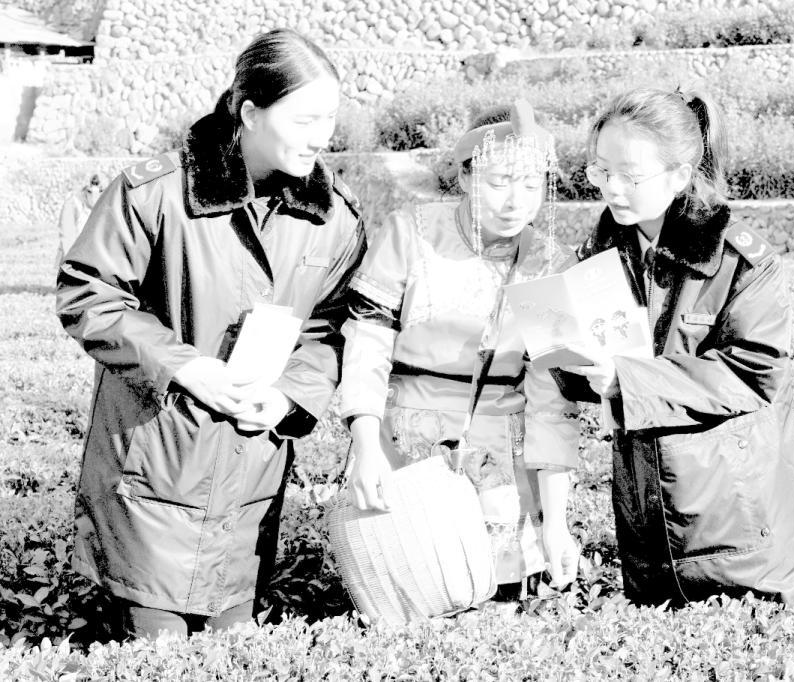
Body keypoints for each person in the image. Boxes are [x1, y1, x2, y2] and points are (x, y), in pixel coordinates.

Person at [56, 29, 366, 639]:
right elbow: (89, 294)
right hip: (152, 473)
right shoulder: (157, 194)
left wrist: (288, 397)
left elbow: (332, 326)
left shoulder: (334, 219)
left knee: (233, 653)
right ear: (249, 112)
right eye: (304, 119)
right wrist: (185, 367)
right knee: (158, 656)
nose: (320, 137)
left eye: (329, 118)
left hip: (250, 482)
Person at [559, 87, 794, 605]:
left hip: (741, 532)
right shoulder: (598, 257)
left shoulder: (740, 262)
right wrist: (559, 349)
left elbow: (755, 373)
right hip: (647, 526)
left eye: (630, 175)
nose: (612, 188)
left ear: (679, 175)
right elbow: (587, 380)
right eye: (600, 171)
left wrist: (627, 379)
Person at [339, 100, 581, 600]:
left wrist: (556, 522)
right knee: (404, 595)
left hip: (502, 460)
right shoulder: (411, 233)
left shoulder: (546, 262)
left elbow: (551, 402)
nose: (515, 202)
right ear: (467, 176)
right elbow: (368, 342)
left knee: (499, 605)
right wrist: (365, 447)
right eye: (499, 182)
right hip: (401, 443)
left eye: (531, 185)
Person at [56, 173, 103, 270]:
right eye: (90, 191)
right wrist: (70, 258)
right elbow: (66, 233)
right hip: (76, 254)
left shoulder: (106, 201)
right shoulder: (73, 202)